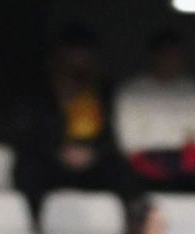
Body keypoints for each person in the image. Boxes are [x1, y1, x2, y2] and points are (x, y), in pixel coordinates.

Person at [113, 29, 195, 221]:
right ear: (153, 57)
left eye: (174, 55)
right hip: (146, 165)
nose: (169, 61)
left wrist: (189, 155)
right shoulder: (132, 91)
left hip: (189, 164)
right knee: (123, 178)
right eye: (164, 55)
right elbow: (128, 142)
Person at [11, 24, 128, 210]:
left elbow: (115, 134)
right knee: (28, 170)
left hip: (93, 161)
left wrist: (93, 153)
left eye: (84, 56)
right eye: (73, 55)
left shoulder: (104, 92)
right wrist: (58, 151)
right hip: (48, 159)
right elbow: (24, 133)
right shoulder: (36, 91)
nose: (78, 61)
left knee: (120, 172)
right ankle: (37, 228)